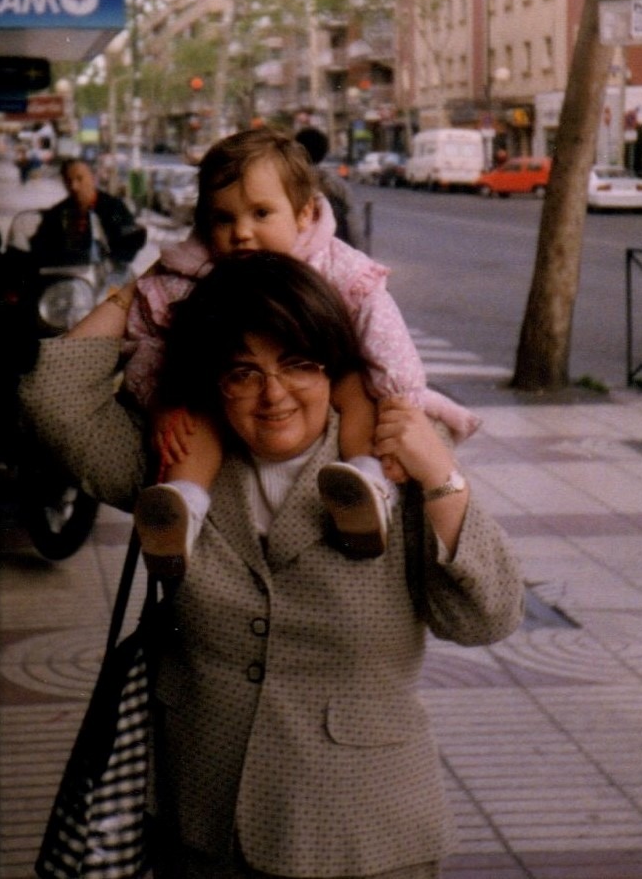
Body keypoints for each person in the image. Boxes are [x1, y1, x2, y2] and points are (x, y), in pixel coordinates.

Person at [19, 250, 525, 879]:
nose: (274, 395)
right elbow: (51, 397)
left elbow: (487, 617)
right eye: (242, 373)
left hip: (360, 838)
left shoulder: (394, 461)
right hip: (200, 827)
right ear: (212, 380)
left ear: (334, 368)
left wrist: (442, 477)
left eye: (298, 364)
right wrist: (138, 291)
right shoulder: (179, 458)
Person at [117, 126, 480, 575]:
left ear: (304, 214)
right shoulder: (195, 270)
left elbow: (383, 328)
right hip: (229, 383)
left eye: (261, 213)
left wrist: (399, 398)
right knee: (197, 417)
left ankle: (367, 483)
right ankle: (181, 509)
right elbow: (148, 334)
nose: (241, 233)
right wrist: (160, 400)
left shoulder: (334, 263)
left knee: (359, 390)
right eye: (224, 219)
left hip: (333, 371)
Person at [29, 157, 146, 267]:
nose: (74, 186)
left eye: (80, 179)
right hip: (67, 279)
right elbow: (39, 247)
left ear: (93, 178)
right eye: (68, 181)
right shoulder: (57, 212)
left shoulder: (114, 208)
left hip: (106, 277)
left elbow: (128, 241)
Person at [294, 126, 361, 248]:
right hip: (333, 249)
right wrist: (359, 252)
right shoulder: (336, 184)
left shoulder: (289, 182)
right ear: (323, 152)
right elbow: (353, 223)